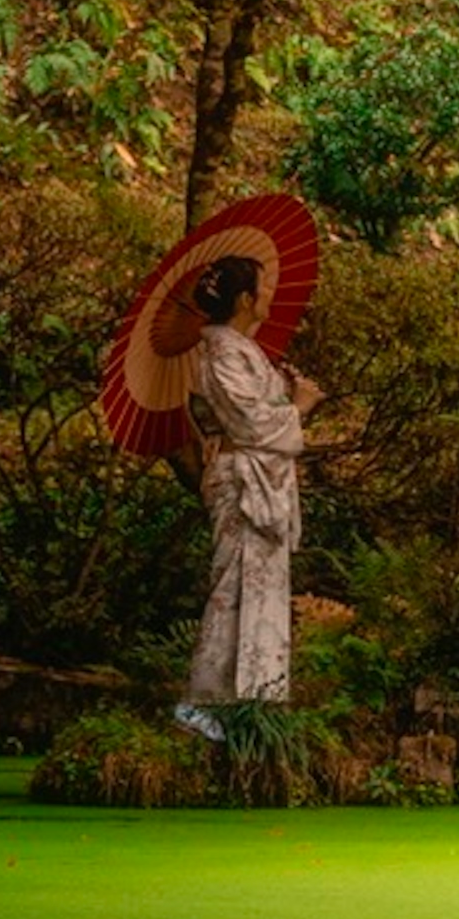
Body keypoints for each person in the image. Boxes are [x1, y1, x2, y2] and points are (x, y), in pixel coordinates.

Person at [177, 254, 319, 721]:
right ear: (243, 299)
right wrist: (297, 406)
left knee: (261, 588)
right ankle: (208, 702)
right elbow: (255, 425)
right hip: (243, 481)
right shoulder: (220, 354)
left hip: (259, 479)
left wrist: (286, 391)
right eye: (263, 288)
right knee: (233, 585)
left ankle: (256, 700)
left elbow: (259, 414)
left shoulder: (239, 350)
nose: (269, 296)